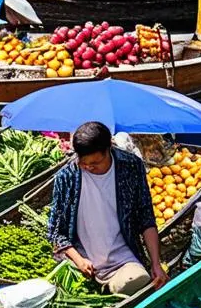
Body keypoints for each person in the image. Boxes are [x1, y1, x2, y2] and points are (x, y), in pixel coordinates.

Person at [48, 121, 167, 296]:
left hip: (123, 258)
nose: (89, 167)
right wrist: (79, 260)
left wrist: (156, 263)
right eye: (84, 163)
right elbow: (56, 232)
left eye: (95, 162)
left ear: (109, 148)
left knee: (136, 281)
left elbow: (145, 217)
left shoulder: (131, 166)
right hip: (81, 261)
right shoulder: (67, 177)